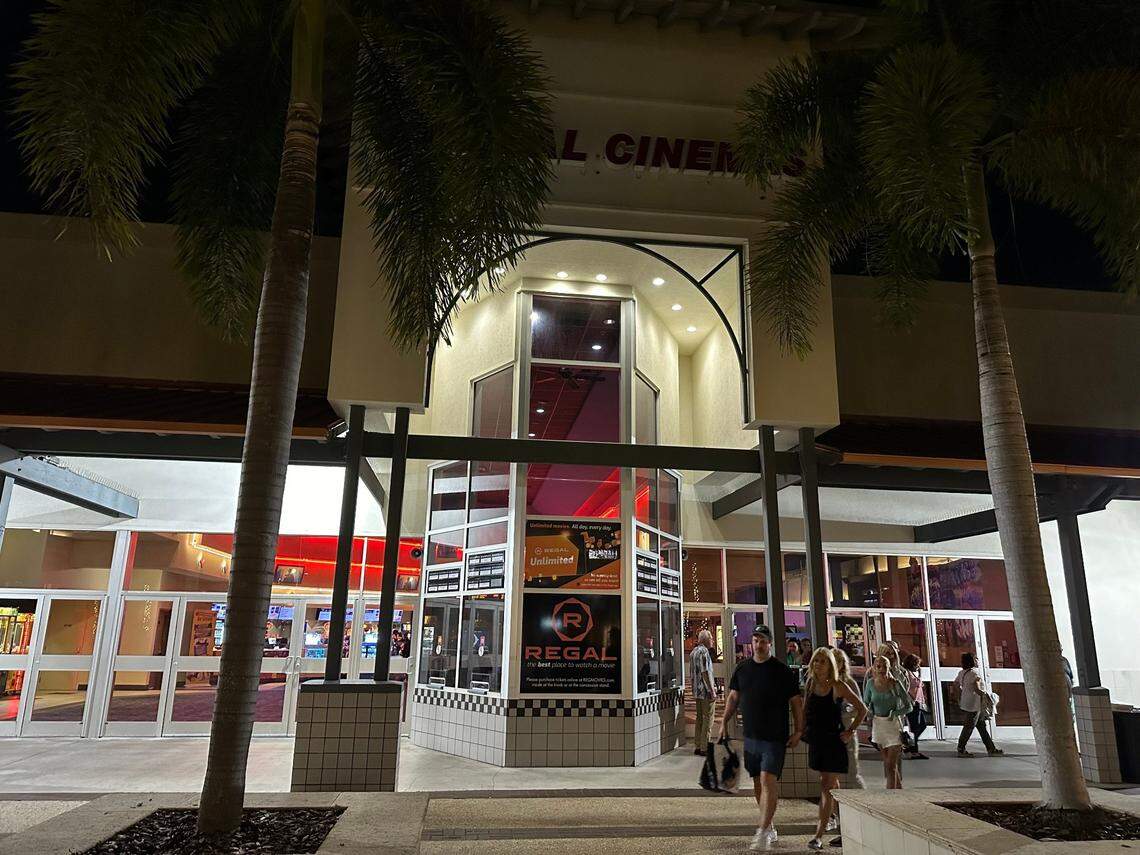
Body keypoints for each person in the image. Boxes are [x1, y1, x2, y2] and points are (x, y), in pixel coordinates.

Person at [720, 625, 805, 852]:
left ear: (770, 643)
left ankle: (762, 830)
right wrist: (723, 722)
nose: (759, 644)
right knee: (758, 783)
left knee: (768, 780)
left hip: (774, 738)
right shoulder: (743, 669)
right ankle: (769, 825)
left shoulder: (782, 671)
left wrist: (798, 730)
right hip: (751, 737)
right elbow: (733, 697)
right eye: (756, 640)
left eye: (763, 641)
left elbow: (796, 703)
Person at [803, 647, 867, 851]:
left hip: (833, 741)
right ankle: (848, 826)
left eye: (822, 661)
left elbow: (862, 709)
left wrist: (851, 731)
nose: (818, 665)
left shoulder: (838, 686)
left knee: (826, 787)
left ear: (830, 665)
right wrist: (800, 731)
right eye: (816, 661)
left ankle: (818, 835)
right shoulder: (811, 684)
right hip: (817, 741)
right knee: (832, 787)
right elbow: (805, 709)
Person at [862, 655, 912, 788]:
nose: (881, 669)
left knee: (890, 764)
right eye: (878, 666)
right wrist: (868, 711)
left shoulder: (895, 683)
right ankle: (899, 792)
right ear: (874, 668)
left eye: (884, 666)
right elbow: (865, 702)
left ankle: (890, 795)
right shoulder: (871, 684)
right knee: (889, 765)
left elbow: (909, 706)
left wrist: (895, 713)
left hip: (893, 725)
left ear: (889, 667)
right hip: (878, 725)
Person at [955, 653, 1003, 757]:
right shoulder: (975, 673)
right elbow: (977, 688)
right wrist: (986, 695)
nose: (978, 660)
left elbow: (956, 684)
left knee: (981, 726)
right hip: (974, 704)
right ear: (972, 661)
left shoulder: (962, 673)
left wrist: (959, 696)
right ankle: (961, 748)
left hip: (966, 702)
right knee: (969, 727)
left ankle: (991, 748)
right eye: (976, 658)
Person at [834, 648, 865, 790]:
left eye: (839, 660)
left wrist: (851, 730)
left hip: (846, 728)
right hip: (830, 732)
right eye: (833, 660)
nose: (836, 663)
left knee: (851, 770)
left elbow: (861, 708)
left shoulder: (849, 683)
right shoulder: (824, 683)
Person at [689, 629, 717, 756]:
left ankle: (698, 745)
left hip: (696, 691)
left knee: (699, 718)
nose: (713, 640)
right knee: (708, 719)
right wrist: (712, 690)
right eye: (711, 638)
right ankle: (705, 747)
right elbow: (705, 672)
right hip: (705, 691)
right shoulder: (704, 652)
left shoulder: (693, 652)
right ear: (706, 640)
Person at [902, 653, 929, 760]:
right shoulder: (907, 674)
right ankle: (913, 749)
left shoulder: (914, 673)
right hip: (912, 702)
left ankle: (909, 742)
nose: (918, 666)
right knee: (915, 726)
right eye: (917, 664)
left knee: (922, 725)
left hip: (918, 702)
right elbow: (906, 688)